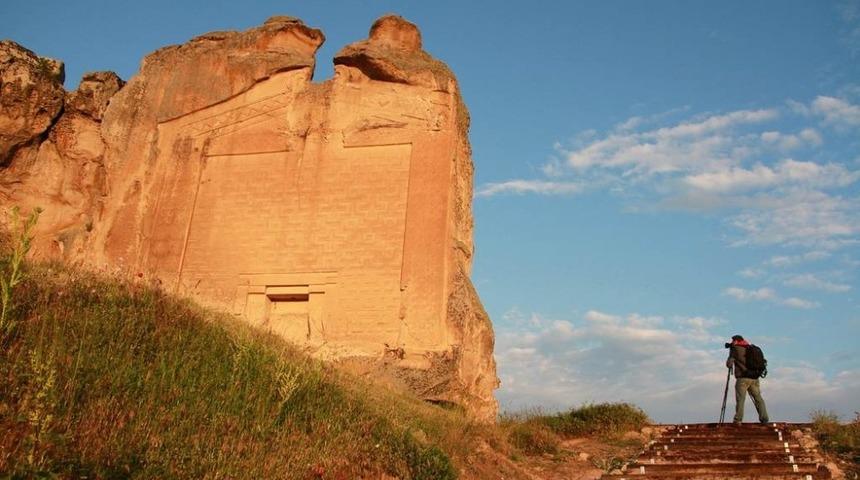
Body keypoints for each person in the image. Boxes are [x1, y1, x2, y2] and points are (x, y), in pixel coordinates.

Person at [726, 334, 769, 424]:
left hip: (743, 378)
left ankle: (738, 420)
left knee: (740, 399)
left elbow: (729, 364)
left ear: (736, 341)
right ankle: (764, 419)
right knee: (758, 398)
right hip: (754, 378)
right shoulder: (750, 348)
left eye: (733, 341)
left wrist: (731, 353)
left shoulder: (735, 349)